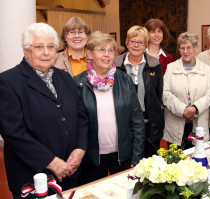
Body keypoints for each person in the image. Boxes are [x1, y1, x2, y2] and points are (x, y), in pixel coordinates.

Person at [0, 23, 88, 198]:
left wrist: (80, 149)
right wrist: (50, 161)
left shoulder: (64, 77)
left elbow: (81, 116)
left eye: (50, 47)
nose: (46, 52)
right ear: (26, 51)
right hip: (33, 176)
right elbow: (13, 132)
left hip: (70, 171)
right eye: (39, 47)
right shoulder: (8, 81)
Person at [74, 32, 145, 184]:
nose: (107, 55)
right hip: (91, 158)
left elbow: (137, 119)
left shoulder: (124, 80)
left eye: (110, 50)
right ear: (89, 54)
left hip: (122, 156)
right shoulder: (77, 84)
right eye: (101, 50)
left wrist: (137, 155)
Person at [114, 25, 164, 158]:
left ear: (146, 45)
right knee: (127, 165)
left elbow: (158, 95)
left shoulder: (155, 64)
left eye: (140, 42)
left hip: (150, 123)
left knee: (150, 164)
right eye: (132, 41)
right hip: (124, 124)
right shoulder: (115, 65)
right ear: (126, 43)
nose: (136, 45)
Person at [163, 32, 210, 149]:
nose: (185, 51)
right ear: (179, 49)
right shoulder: (171, 68)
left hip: (199, 122)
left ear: (196, 48)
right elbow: (165, 93)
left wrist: (194, 109)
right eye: (182, 48)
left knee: (197, 160)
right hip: (175, 123)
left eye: (189, 47)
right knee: (175, 161)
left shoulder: (206, 69)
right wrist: (184, 110)